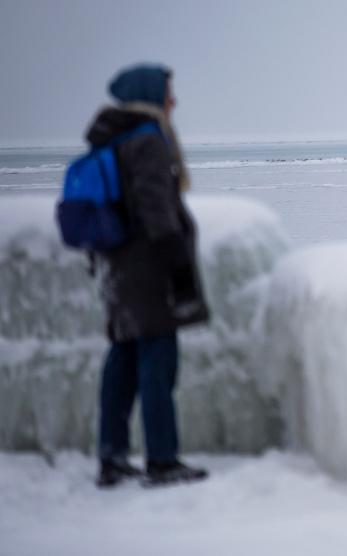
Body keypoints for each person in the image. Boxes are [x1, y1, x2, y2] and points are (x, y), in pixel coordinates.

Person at [87, 63, 210, 488]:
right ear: (150, 97)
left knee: (122, 361)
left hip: (118, 269)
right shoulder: (147, 142)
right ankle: (161, 459)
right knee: (159, 364)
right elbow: (156, 210)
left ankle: (113, 456)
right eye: (167, 93)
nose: (173, 101)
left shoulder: (114, 140)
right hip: (149, 271)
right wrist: (178, 267)